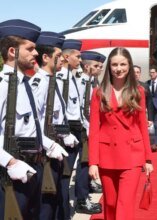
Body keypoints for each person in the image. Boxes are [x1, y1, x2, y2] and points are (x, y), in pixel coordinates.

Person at [0, 19, 68, 219]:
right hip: (12, 173)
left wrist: (49, 145)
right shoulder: (3, 87)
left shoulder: (27, 85)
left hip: (33, 169)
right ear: (12, 51)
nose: (36, 53)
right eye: (30, 49)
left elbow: (33, 126)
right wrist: (10, 162)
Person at [88, 47, 154, 220]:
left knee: (124, 204)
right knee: (110, 203)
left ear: (129, 66)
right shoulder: (98, 93)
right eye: (115, 64)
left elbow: (142, 126)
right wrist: (92, 162)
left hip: (132, 155)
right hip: (106, 156)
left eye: (123, 64)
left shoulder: (138, 91)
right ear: (109, 67)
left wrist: (148, 158)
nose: (119, 68)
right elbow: (94, 129)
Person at [32, 31, 80, 220]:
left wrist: (66, 135)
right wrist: (49, 145)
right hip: (46, 151)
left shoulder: (52, 82)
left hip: (57, 148)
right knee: (46, 204)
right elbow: (36, 121)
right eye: (58, 56)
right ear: (46, 57)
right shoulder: (40, 84)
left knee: (57, 199)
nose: (63, 60)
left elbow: (58, 117)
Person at [56, 39, 101, 217]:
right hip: (67, 132)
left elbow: (81, 109)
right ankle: (65, 206)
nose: (80, 60)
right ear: (66, 57)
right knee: (66, 174)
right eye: (77, 56)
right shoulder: (64, 80)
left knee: (84, 164)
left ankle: (78, 200)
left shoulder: (74, 79)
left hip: (80, 128)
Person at [78, 50, 106, 194]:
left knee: (92, 160)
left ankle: (89, 185)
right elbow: (81, 107)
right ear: (86, 66)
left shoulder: (94, 82)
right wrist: (89, 127)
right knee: (85, 161)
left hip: (94, 127)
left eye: (101, 66)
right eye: (97, 66)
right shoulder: (81, 82)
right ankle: (82, 195)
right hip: (86, 127)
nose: (100, 69)